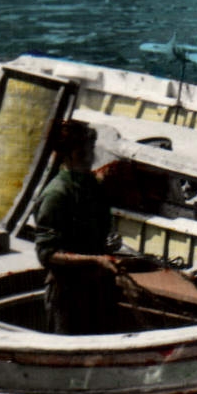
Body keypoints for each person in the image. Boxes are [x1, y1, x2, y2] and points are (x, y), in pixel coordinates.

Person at [33, 119, 124, 335]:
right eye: (89, 150)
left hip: (98, 289)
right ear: (73, 154)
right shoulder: (57, 194)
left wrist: (109, 242)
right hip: (67, 295)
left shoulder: (93, 185)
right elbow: (47, 253)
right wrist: (96, 260)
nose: (93, 156)